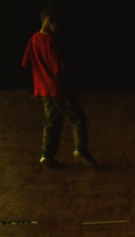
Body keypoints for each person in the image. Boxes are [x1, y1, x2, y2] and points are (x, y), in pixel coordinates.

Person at [22, 7, 96, 168]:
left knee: (52, 122)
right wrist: (68, 95)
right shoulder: (51, 42)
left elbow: (26, 64)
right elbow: (59, 70)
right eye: (58, 23)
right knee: (78, 119)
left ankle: (46, 155)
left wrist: (31, 88)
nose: (60, 27)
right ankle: (81, 150)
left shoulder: (33, 39)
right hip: (57, 90)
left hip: (44, 91)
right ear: (49, 20)